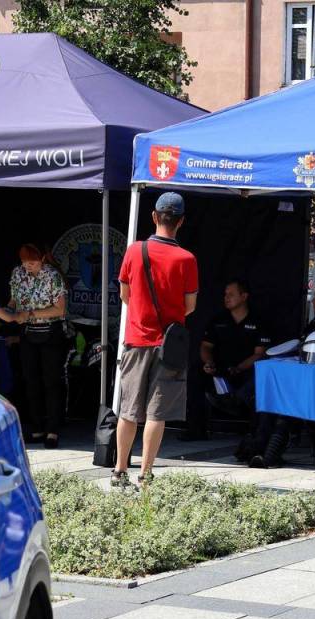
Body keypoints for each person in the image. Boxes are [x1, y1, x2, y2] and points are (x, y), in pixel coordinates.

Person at [113, 192, 198, 488]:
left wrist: (142, 310)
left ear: (154, 216)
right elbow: (189, 307)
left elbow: (124, 294)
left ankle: (120, 470)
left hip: (136, 339)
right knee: (156, 413)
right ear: (181, 222)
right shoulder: (187, 259)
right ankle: (146, 475)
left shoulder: (134, 251)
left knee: (128, 410)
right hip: (169, 346)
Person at [9, 244, 68, 449]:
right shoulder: (18, 274)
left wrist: (31, 314)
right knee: (30, 380)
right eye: (25, 262)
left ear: (42, 259)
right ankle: (36, 428)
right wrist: (4, 314)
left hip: (51, 332)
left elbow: (60, 309)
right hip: (28, 332)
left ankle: (52, 430)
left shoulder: (53, 276)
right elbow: (14, 301)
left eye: (32, 262)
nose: (28, 266)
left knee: (51, 381)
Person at [200, 278, 271, 418]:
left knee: (263, 371)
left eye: (231, 294)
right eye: (225, 294)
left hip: (246, 370)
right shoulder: (218, 320)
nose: (226, 298)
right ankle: (194, 425)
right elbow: (206, 346)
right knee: (195, 373)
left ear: (244, 296)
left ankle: (236, 403)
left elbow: (260, 354)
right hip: (219, 368)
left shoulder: (259, 321)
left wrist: (238, 368)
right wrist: (209, 363)